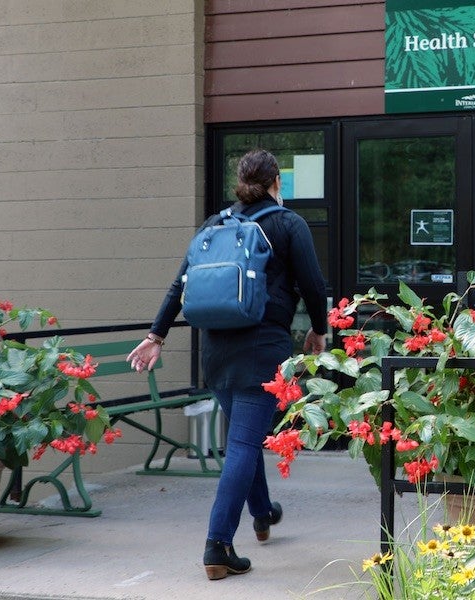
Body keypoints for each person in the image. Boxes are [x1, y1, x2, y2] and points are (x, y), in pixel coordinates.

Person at [125, 149, 328, 580]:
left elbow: (180, 284)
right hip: (263, 350)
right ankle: (217, 545)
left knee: (243, 439)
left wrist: (155, 335)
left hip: (216, 352)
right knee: (242, 446)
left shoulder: (214, 225)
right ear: (276, 183)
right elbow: (313, 284)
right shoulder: (288, 224)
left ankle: (263, 513)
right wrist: (319, 331)